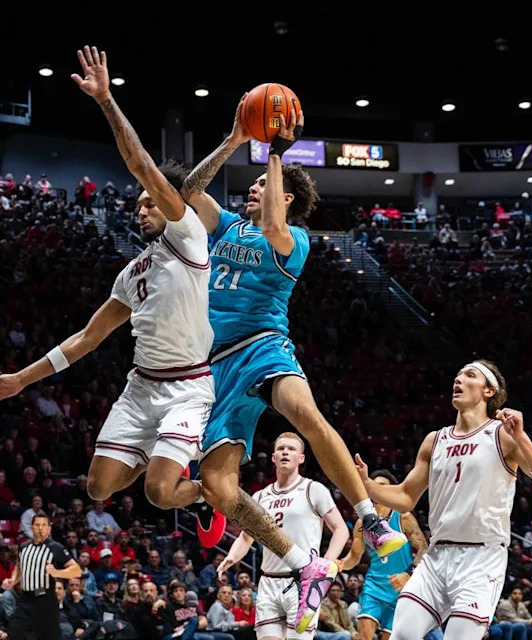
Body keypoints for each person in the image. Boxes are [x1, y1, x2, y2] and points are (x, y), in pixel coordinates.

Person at [0, 45, 221, 544]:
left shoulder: (190, 236)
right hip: (142, 386)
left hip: (189, 387)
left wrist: (107, 101)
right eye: (138, 203)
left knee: (157, 492)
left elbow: (140, 163)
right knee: (97, 487)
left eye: (151, 200)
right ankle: (162, 451)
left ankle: (201, 496)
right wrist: (22, 379)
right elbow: (88, 337)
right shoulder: (132, 272)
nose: (142, 206)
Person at [180, 95, 402, 631]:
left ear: (283, 197)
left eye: (262, 185)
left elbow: (277, 225)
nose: (252, 188)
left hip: (263, 344)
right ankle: (228, 517)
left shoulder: (294, 239)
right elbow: (185, 194)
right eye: (254, 184)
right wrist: (237, 140)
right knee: (219, 487)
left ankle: (369, 519)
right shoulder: (229, 225)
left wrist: (275, 155)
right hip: (215, 366)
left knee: (305, 415)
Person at [355, 360, 532, 640]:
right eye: (457, 375)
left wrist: (522, 438)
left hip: (481, 557)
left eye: (469, 375)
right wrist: (368, 485)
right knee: (401, 635)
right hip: (437, 557)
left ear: (489, 391)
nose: (459, 379)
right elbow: (405, 497)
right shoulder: (434, 440)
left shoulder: (501, 435)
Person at [218, 432, 350, 639]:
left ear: (301, 458)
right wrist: (232, 557)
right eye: (280, 449)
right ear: (273, 457)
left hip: (301, 584)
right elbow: (246, 537)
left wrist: (325, 565)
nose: (285, 452)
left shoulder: (313, 489)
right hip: (268, 581)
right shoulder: (259, 496)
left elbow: (341, 530)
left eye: (291, 449)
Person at [339, 471, 440, 640]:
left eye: (382, 485)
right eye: (374, 484)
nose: (377, 488)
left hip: (400, 589)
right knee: (364, 636)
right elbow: (354, 557)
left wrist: (408, 573)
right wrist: (339, 564)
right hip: (374, 586)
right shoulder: (361, 522)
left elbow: (423, 548)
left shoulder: (402, 517)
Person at [8, 513, 81, 640]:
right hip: (25, 598)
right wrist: (13, 580)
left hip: (45, 599)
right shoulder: (24, 546)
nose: (40, 528)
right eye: (37, 525)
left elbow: (76, 570)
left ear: (49, 528)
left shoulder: (56, 547)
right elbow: (19, 567)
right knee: (14, 632)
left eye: (44, 525)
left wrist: (57, 572)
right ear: (31, 527)